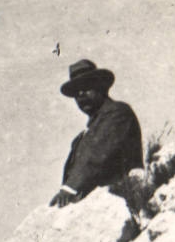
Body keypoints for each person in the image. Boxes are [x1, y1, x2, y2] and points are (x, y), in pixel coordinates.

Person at [51, 58, 143, 208]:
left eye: (86, 86)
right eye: (76, 92)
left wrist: (70, 188)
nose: (81, 94)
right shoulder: (82, 137)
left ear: (101, 86)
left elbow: (96, 154)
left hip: (119, 201)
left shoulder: (118, 113)